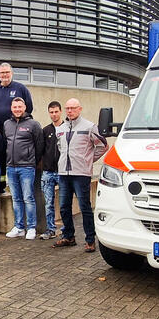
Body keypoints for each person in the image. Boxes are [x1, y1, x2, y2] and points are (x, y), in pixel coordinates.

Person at [53, 98, 108, 253]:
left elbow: (103, 146)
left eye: (73, 108)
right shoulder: (61, 128)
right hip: (64, 173)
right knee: (64, 207)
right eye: (67, 108)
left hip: (81, 174)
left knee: (84, 207)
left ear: (80, 109)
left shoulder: (89, 127)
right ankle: (69, 236)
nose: (70, 111)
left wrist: (88, 160)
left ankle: (90, 240)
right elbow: (60, 147)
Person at [3, 97, 44, 240]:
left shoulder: (33, 124)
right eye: (15, 107)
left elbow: (39, 146)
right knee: (16, 198)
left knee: (28, 197)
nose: (17, 109)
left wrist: (32, 160)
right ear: (11, 108)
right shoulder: (7, 124)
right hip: (11, 167)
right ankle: (19, 227)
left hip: (27, 167)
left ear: (24, 107)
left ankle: (31, 227)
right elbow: (5, 144)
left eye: (20, 107)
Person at [39, 101, 63, 240]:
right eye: (51, 112)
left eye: (56, 112)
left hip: (63, 172)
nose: (54, 114)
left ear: (60, 112)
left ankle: (66, 230)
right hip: (48, 172)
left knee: (64, 203)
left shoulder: (67, 128)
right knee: (48, 203)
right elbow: (41, 150)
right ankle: (50, 229)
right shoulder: (46, 130)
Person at [0, 62, 33, 132]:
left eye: (7, 72)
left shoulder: (21, 88)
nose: (5, 74)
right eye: (2, 72)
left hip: (16, 128)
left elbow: (29, 108)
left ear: (12, 73)